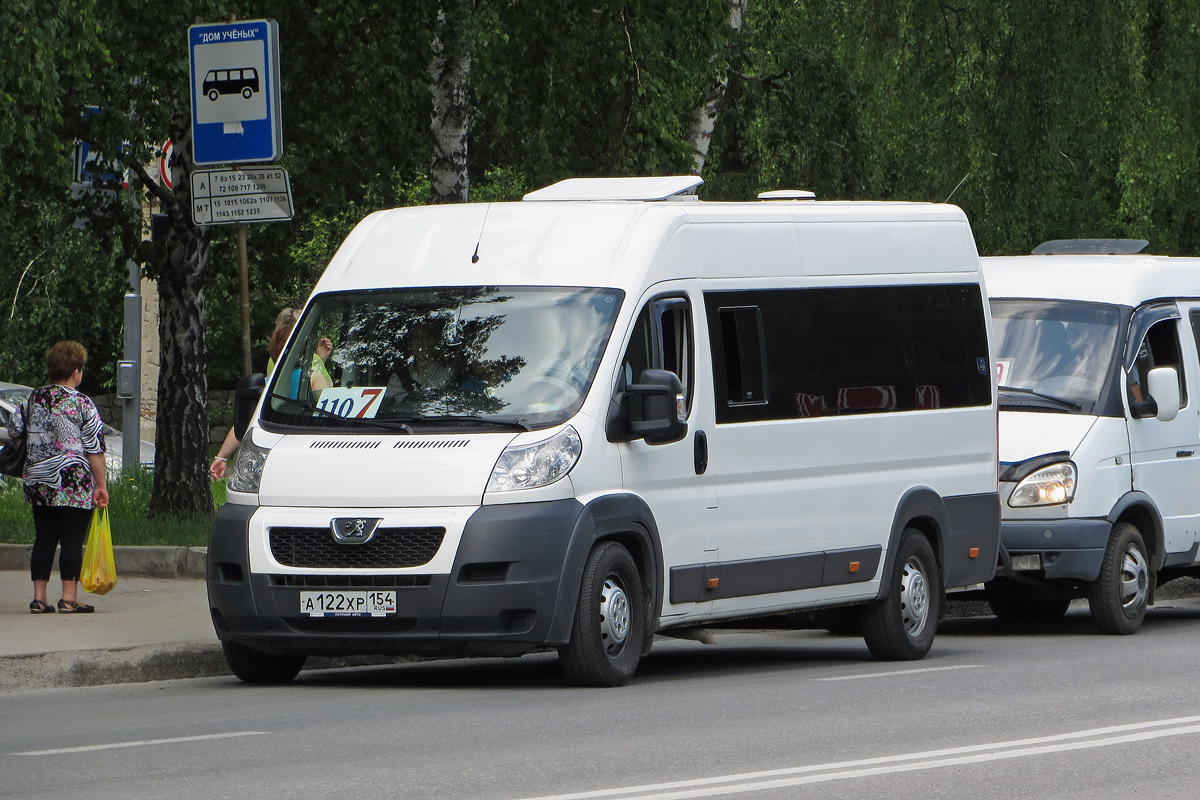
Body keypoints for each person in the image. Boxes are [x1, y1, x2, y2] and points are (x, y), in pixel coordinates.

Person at [6, 341, 109, 614]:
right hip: (74, 482)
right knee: (72, 538)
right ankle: (69, 598)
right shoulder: (82, 403)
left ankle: (40, 599)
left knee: (44, 537)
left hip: (39, 481)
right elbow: (95, 449)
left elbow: (15, 430)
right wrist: (101, 485)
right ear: (76, 371)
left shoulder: (33, 398)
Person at [209, 308, 333, 479]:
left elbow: (245, 421)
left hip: (275, 454)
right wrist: (319, 361)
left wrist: (221, 456)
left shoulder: (269, 383)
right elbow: (331, 413)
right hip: (308, 454)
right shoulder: (315, 378)